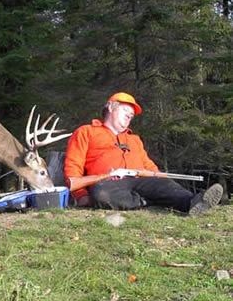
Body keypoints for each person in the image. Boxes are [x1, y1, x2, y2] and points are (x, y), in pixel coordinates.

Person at [63, 92, 223, 215]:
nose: (129, 116)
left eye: (131, 115)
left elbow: (148, 165)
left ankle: (194, 202)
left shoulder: (134, 139)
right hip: (109, 183)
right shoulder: (86, 132)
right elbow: (73, 167)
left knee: (164, 185)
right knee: (101, 194)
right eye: (125, 110)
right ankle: (147, 201)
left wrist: (160, 178)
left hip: (142, 180)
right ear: (111, 107)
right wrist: (80, 195)